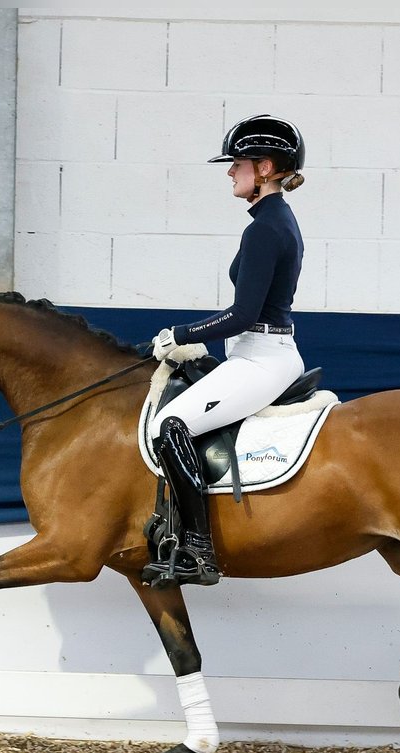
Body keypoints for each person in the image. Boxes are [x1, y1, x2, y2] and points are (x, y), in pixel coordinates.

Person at [142, 114, 307, 589]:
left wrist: (182, 332)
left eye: (237, 164)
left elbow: (240, 314)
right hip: (255, 353)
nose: (230, 172)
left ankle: (197, 550)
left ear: (266, 167)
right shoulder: (273, 221)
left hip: (262, 358)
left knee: (170, 425)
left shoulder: (264, 229)